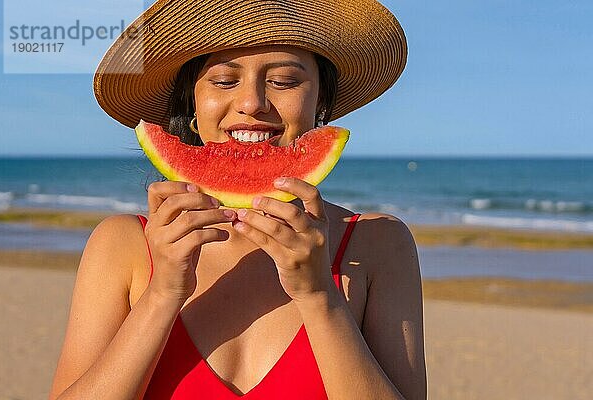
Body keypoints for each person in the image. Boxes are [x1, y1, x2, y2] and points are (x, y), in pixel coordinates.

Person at [49, 0, 426, 399]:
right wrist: (162, 293)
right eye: (224, 81)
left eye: (284, 81)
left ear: (322, 105)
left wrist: (320, 298)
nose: (252, 103)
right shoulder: (121, 244)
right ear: (191, 105)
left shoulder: (378, 244)